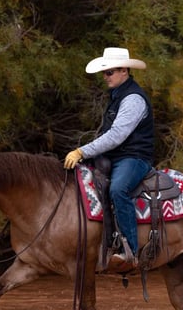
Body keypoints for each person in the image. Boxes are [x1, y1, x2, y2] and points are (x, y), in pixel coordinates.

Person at [64, 47, 155, 273]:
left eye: (109, 72)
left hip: (135, 157)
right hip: (116, 157)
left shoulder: (133, 98)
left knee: (118, 190)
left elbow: (116, 136)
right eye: (104, 73)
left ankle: (130, 251)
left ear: (124, 70)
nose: (105, 77)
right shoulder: (117, 96)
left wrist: (82, 152)